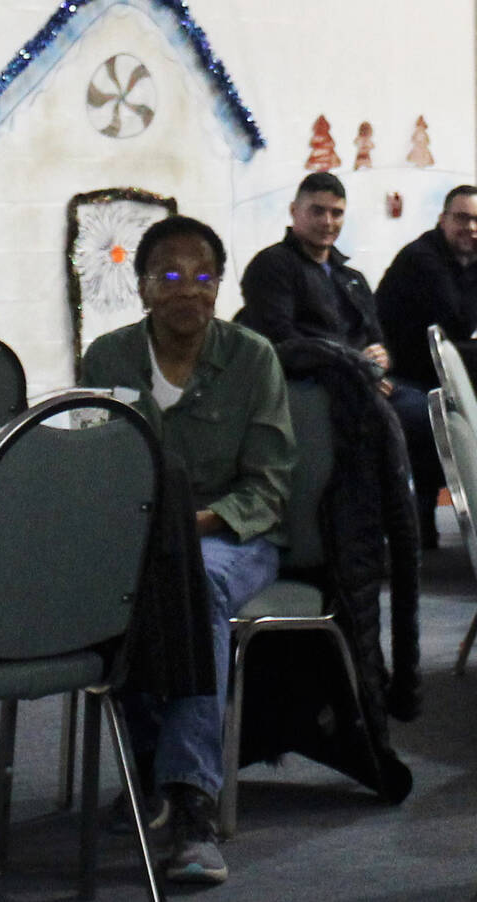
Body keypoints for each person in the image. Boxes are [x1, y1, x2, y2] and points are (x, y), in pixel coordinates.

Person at [80, 215, 297, 887]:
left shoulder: (252, 358)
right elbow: (89, 464)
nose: (188, 292)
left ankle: (190, 801)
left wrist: (192, 525)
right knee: (109, 596)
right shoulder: (107, 360)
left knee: (191, 587)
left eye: (203, 277)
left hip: (232, 539)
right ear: (142, 289)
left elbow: (268, 486)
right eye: (169, 277)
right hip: (137, 543)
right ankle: (151, 768)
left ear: (220, 287)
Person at [237, 172, 435, 545]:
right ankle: (389, 530)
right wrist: (355, 366)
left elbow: (377, 337)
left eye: (336, 213)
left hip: (365, 384)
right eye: (317, 211)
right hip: (313, 390)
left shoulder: (351, 276)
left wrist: (380, 356)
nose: (327, 222)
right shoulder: (273, 266)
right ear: (295, 211)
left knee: (439, 413)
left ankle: (419, 523)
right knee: (419, 417)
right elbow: (282, 341)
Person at [373, 185, 477, 538]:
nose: (471, 227)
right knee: (443, 417)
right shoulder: (422, 259)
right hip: (404, 376)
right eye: (461, 218)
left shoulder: (469, 263)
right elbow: (460, 324)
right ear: (443, 220)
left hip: (446, 376)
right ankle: (433, 520)